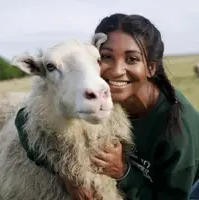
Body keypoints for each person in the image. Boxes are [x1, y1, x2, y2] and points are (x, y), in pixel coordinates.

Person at [15, 13, 199, 200]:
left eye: (132, 59)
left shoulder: (178, 132)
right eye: (107, 56)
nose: (117, 71)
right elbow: (25, 118)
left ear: (151, 67)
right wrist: (67, 175)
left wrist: (124, 172)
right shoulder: (105, 95)